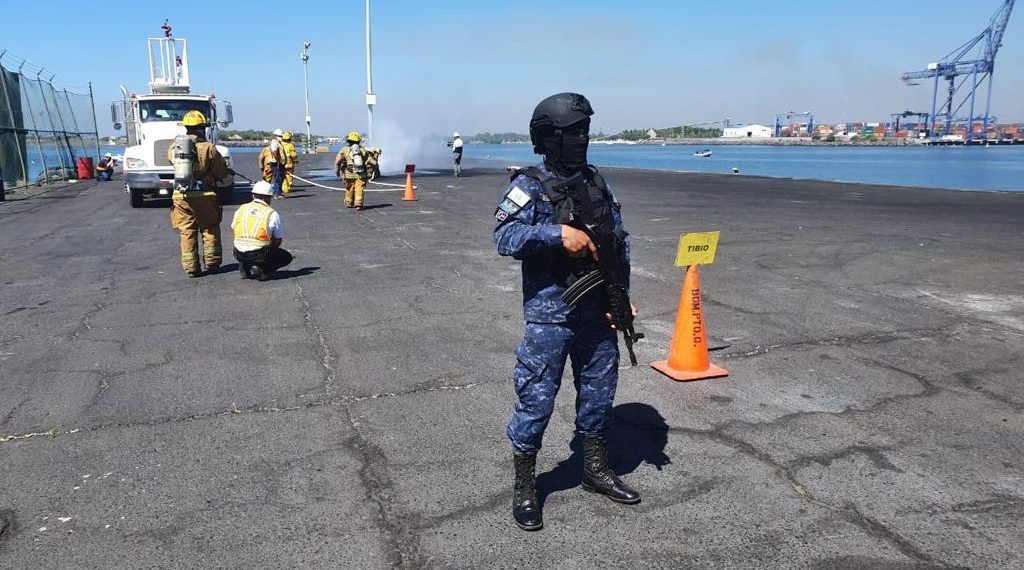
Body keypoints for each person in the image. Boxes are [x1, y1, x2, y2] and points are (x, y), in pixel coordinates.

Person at [493, 93, 640, 532]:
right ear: (548, 139)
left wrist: (621, 298)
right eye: (571, 133)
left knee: (599, 394)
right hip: (550, 316)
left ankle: (595, 469)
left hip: (597, 312)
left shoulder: (596, 183)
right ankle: (526, 484)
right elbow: (504, 236)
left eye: (584, 132)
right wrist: (556, 234)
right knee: (537, 399)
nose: (580, 140)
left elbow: (617, 242)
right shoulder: (529, 185)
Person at [167, 110, 230, 277]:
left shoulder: (174, 147)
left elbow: (172, 163)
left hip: (181, 196)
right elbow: (220, 172)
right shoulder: (209, 148)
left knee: (187, 231)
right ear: (202, 128)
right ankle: (212, 263)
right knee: (209, 228)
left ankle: (191, 268)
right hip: (204, 195)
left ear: (186, 127)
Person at [231, 181, 293, 281]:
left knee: (247, 248)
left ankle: (244, 266)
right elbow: (277, 241)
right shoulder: (271, 213)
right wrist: (270, 249)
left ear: (253, 195)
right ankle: (261, 269)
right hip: (258, 253)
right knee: (286, 257)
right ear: (267, 198)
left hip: (237, 252)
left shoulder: (241, 209)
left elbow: (234, 229)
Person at [333, 131, 369, 210]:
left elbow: (337, 162)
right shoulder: (362, 150)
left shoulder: (344, 150)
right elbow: (367, 159)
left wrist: (337, 171)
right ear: (358, 141)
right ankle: (358, 204)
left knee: (349, 188)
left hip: (349, 174)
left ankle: (349, 203)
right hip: (361, 174)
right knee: (359, 189)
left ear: (348, 141)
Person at [266, 128, 286, 198]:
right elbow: (274, 151)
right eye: (280, 136)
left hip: (280, 163)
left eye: (281, 136)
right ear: (275, 136)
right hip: (276, 163)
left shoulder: (278, 142)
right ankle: (276, 194)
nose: (281, 137)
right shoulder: (274, 142)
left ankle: (279, 192)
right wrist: (278, 160)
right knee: (277, 178)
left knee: (281, 178)